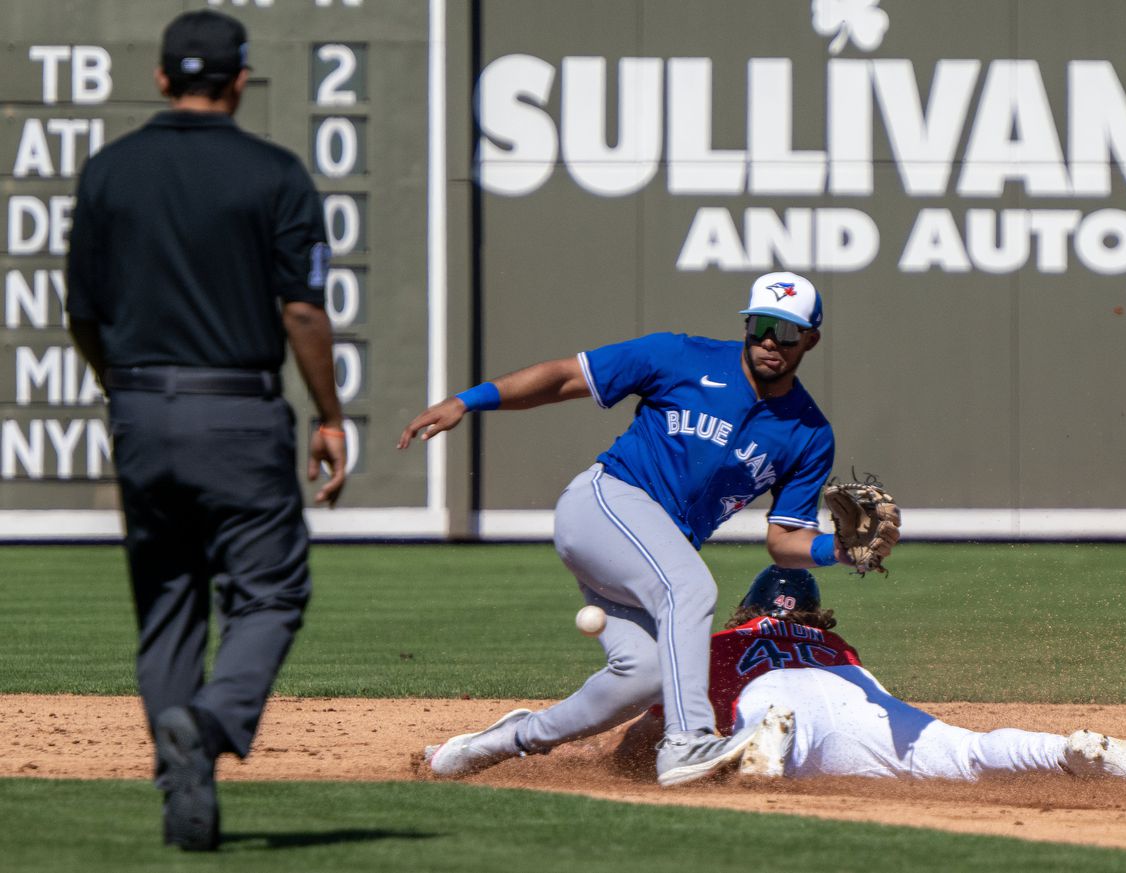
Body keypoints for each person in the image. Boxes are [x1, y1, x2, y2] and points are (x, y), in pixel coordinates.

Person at [401, 271, 873, 786]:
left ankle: (492, 745)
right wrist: (467, 401)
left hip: (652, 550)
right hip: (605, 503)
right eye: (759, 324)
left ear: (810, 339)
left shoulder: (809, 432)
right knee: (690, 587)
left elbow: (784, 543)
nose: (768, 340)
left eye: (785, 331)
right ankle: (689, 740)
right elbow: (564, 377)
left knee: (645, 675)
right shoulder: (680, 357)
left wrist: (842, 552)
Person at [65, 10, 347, 851]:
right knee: (269, 590)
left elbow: (82, 310)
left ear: (160, 78)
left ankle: (179, 776)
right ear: (238, 81)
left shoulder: (110, 170)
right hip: (238, 404)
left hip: (142, 405)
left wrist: (121, 390)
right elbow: (300, 306)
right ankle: (214, 722)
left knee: (168, 601)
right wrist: (329, 413)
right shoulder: (273, 172)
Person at [696, 565, 1126, 785]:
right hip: (857, 701)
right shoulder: (835, 643)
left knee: (778, 740)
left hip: (770, 694)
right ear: (814, 615)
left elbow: (664, 724)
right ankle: (1062, 750)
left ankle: (765, 741)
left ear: (748, 610)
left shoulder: (719, 644)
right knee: (968, 752)